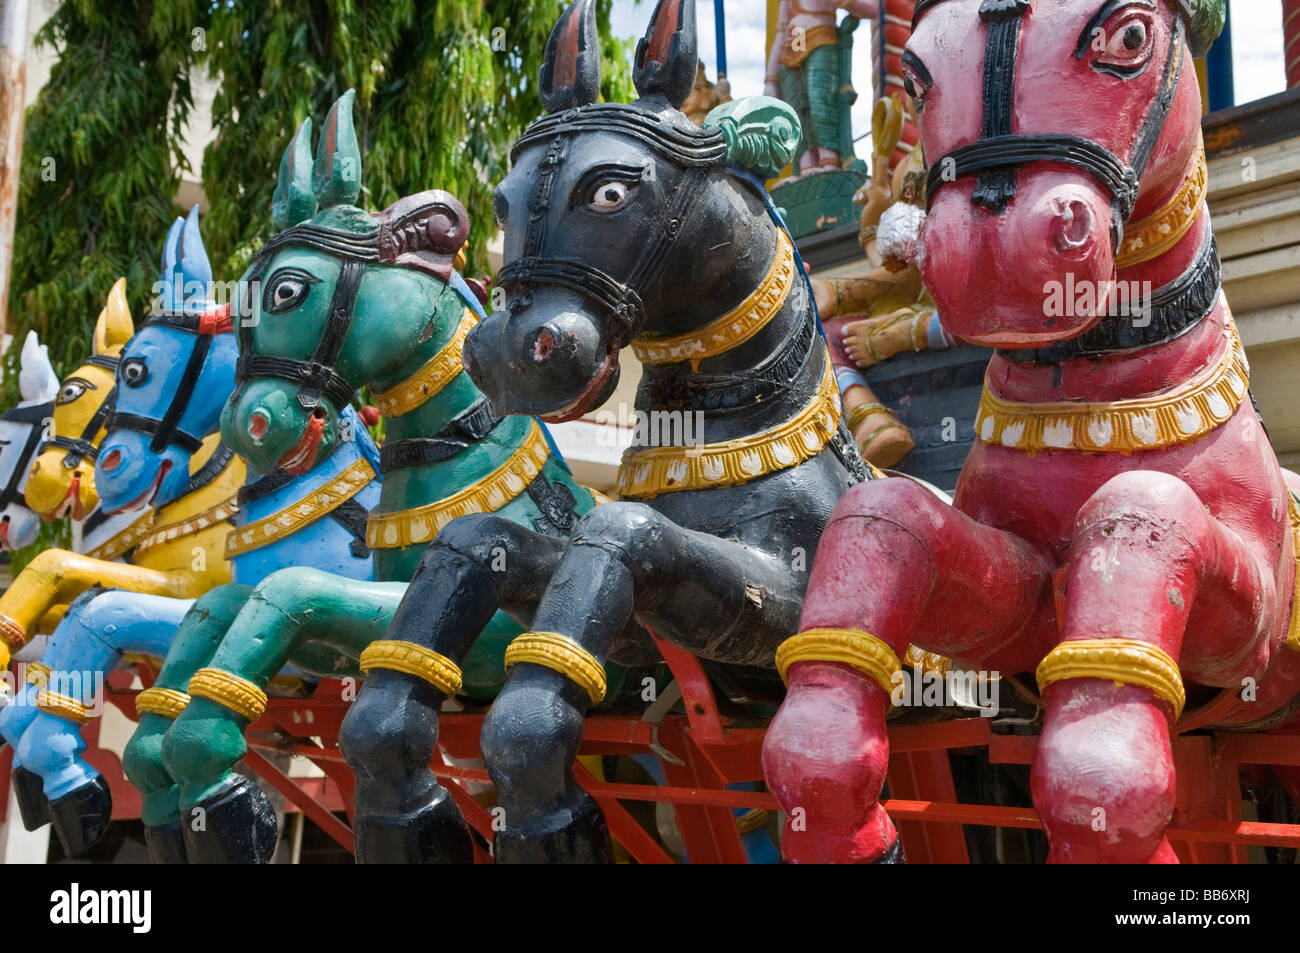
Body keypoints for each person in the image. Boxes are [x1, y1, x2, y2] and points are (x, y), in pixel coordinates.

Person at [810, 94, 956, 468]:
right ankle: (870, 419)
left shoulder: (956, 154)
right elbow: (896, 265)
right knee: (821, 334)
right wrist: (872, 224)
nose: (916, 99)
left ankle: (871, 420)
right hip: (916, 301)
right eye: (912, 87)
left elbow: (914, 276)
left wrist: (842, 292)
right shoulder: (909, 164)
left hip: (950, 307)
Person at [764, 0, 878, 176]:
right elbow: (781, 31)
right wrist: (770, 79)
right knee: (796, 109)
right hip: (796, 40)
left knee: (819, 100)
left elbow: (873, 9)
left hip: (821, 36)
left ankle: (829, 159)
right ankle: (805, 165)